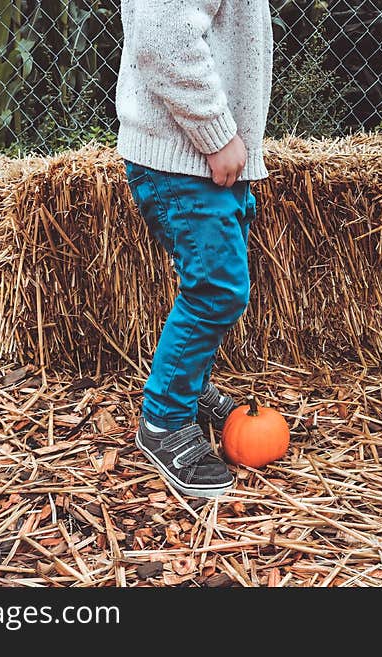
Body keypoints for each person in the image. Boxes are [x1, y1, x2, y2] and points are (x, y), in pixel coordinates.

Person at [115, 0, 273, 497]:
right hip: (186, 157)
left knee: (216, 283)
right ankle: (163, 419)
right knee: (216, 290)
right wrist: (217, 134)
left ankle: (191, 387)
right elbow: (163, 39)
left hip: (205, 160)